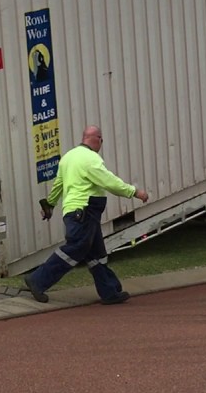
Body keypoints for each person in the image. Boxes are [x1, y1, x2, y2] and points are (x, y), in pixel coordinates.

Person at [23, 125, 149, 305]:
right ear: (97, 139)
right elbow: (109, 182)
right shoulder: (90, 159)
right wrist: (135, 192)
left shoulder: (68, 157)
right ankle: (38, 280)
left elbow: (58, 184)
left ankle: (110, 291)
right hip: (84, 211)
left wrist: (49, 204)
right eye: (102, 141)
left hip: (77, 212)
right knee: (76, 247)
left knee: (97, 254)